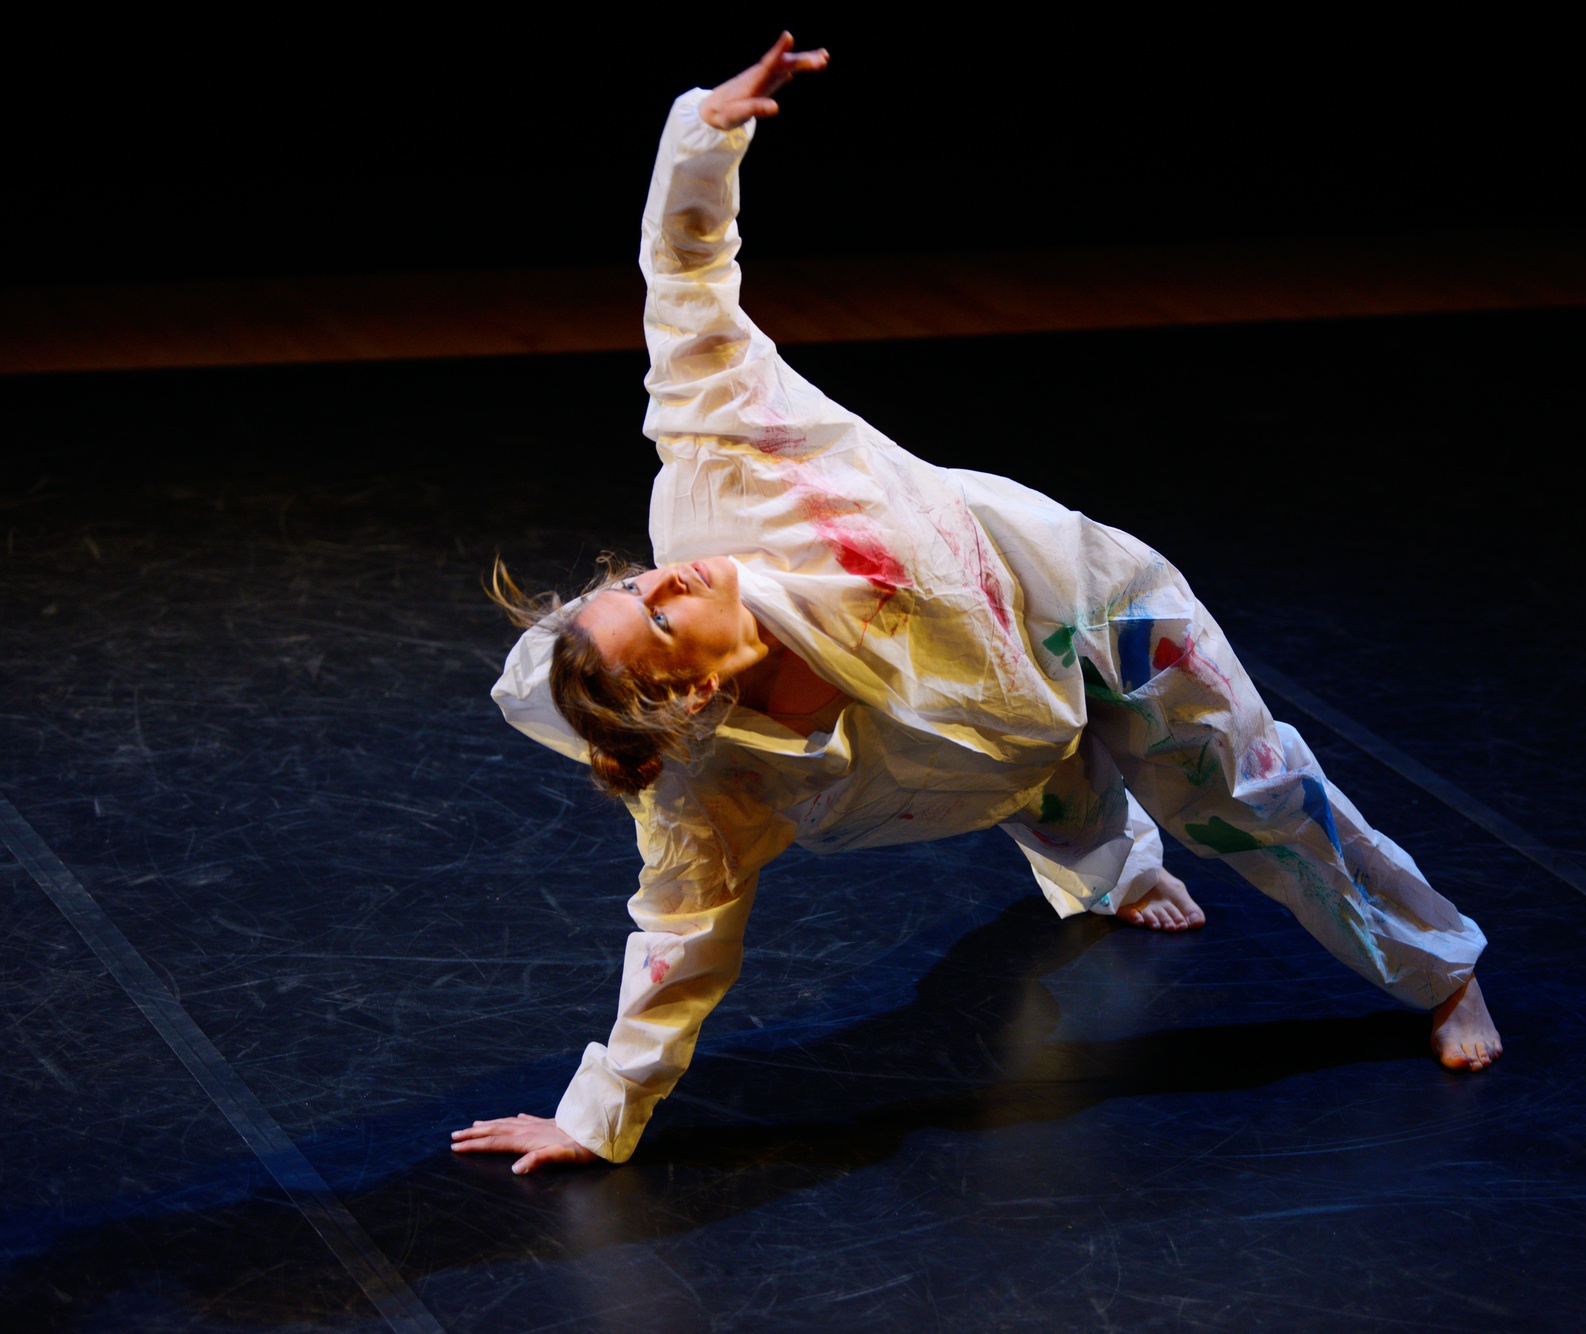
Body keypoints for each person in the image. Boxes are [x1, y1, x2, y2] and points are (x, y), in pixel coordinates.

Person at [451, 34, 1501, 1176]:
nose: (663, 576)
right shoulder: (710, 786)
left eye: (627, 583)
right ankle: (1114, 866)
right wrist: (600, 1111)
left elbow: (685, 286)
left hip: (1089, 605)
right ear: (693, 693)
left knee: (1251, 797)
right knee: (1042, 787)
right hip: (972, 747)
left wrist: (705, 133)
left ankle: (1442, 968)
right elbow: (678, 936)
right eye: (654, 618)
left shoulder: (729, 467)